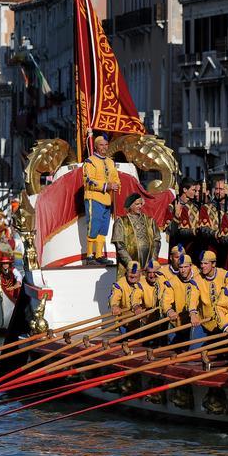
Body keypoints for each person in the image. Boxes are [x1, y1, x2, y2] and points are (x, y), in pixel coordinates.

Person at [83, 133, 121, 265]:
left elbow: (115, 178)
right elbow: (87, 181)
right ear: (96, 147)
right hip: (94, 198)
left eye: (106, 145)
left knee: (103, 228)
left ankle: (99, 255)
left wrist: (116, 185)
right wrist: (106, 186)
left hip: (107, 200)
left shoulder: (111, 162)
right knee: (93, 226)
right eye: (101, 145)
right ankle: (89, 256)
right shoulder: (90, 161)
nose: (104, 147)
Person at [111, 193, 161, 273]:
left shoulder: (150, 221)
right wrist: (130, 264)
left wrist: (152, 261)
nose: (140, 206)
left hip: (148, 266)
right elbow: (119, 245)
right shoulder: (121, 222)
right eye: (137, 204)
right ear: (130, 205)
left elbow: (157, 241)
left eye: (141, 204)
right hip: (129, 267)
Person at [194, 250, 228, 334]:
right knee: (194, 347)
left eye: (206, 263)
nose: (202, 266)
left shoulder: (226, 276)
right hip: (204, 323)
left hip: (225, 324)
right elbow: (192, 300)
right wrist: (193, 313)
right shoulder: (197, 280)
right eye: (201, 263)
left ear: (214, 264)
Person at [109, 262, 146, 330]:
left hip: (145, 322)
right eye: (130, 272)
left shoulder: (145, 281)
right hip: (125, 322)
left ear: (140, 273)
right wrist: (114, 306)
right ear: (126, 273)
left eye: (135, 273)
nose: (133, 275)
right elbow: (114, 297)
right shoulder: (120, 283)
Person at [167, 178, 200, 251]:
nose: (195, 193)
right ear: (185, 190)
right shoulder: (172, 206)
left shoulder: (195, 206)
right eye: (193, 190)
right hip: (178, 245)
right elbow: (169, 230)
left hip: (193, 245)